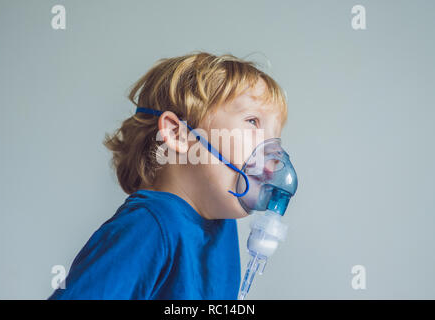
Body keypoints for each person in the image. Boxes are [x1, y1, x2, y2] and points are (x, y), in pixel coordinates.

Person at [48, 51, 288, 300]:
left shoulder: (220, 226)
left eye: (276, 136)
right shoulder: (149, 227)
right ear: (178, 134)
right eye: (252, 121)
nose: (274, 151)